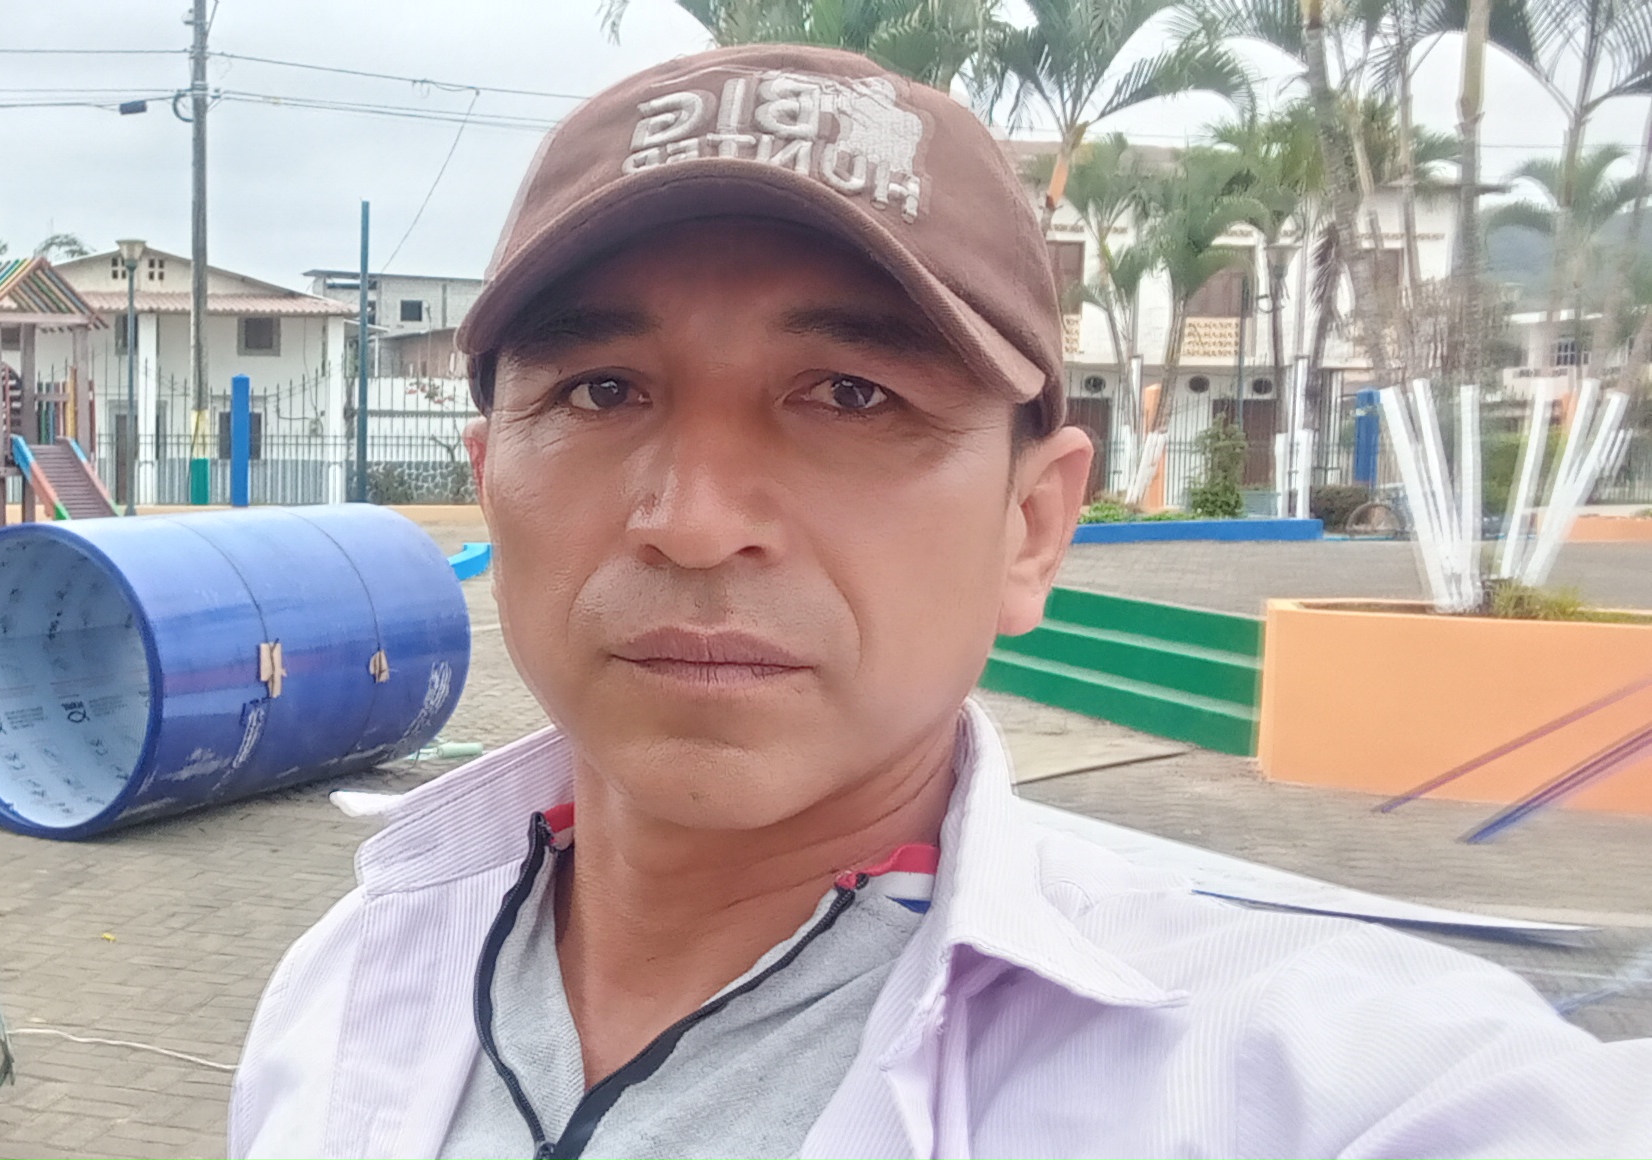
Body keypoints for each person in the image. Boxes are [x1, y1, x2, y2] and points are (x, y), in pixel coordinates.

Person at [229, 45, 1652, 1160]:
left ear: (1033, 526)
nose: (696, 521)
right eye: (603, 390)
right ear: (490, 480)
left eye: (852, 396)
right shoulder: (348, 982)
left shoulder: (1317, 1077)